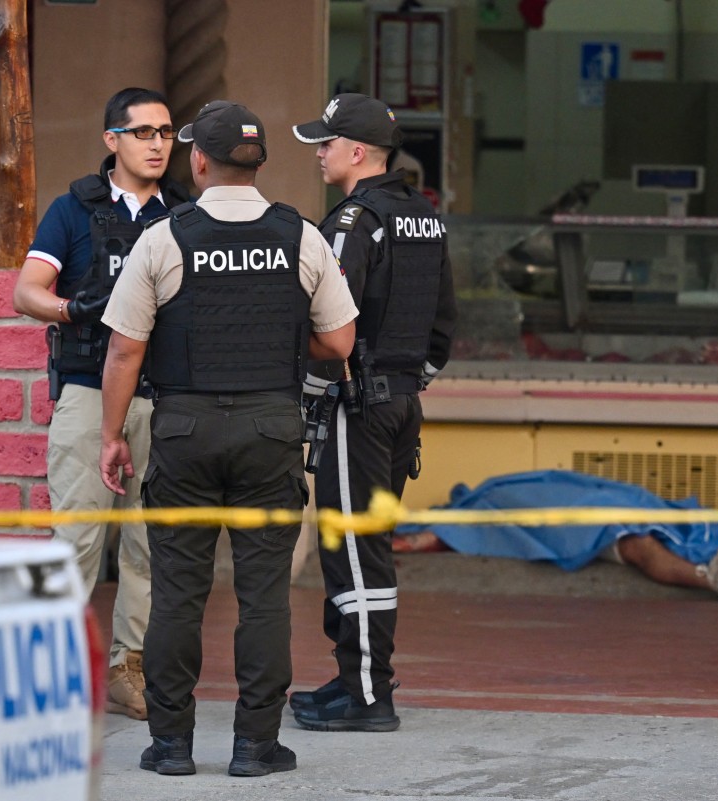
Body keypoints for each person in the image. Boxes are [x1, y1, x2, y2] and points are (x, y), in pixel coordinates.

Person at [97, 100, 357, 778]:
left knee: (178, 592)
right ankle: (254, 745)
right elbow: (339, 340)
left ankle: (172, 744)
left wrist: (111, 435)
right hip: (271, 427)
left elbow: (125, 351)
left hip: (182, 428)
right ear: (262, 163)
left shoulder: (163, 236)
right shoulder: (301, 237)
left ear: (200, 162)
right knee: (263, 594)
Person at [12, 87, 193, 720]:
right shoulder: (74, 209)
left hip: (165, 399)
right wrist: (71, 307)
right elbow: (26, 290)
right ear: (111, 140)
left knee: (149, 544)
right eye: (142, 132)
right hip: (90, 392)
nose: (156, 144)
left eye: (166, 133)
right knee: (78, 538)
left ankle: (128, 667)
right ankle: (51, 672)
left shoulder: (186, 216)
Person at [288, 93, 457, 732]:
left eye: (326, 144)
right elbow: (443, 326)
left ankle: (366, 694)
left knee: (353, 549)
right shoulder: (424, 216)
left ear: (358, 152)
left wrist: (309, 395)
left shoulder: (353, 222)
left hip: (355, 407)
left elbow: (332, 325)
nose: (320, 153)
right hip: (400, 405)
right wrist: (409, 384)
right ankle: (355, 679)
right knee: (369, 546)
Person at [390, 470, 718, 600]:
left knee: (659, 537)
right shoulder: (472, 509)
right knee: (646, 540)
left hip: (614, 510)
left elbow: (415, 540)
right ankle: (710, 573)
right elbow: (417, 539)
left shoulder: (479, 501)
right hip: (604, 518)